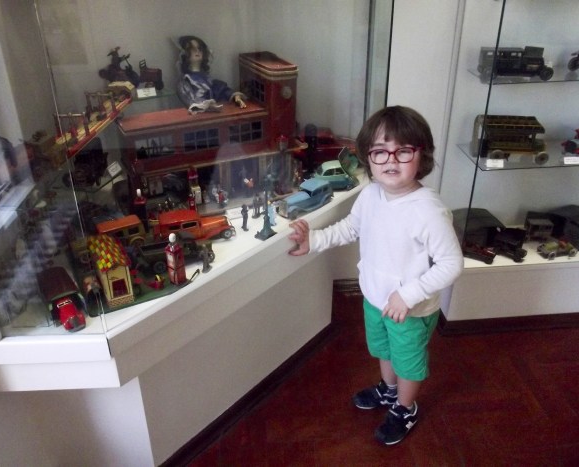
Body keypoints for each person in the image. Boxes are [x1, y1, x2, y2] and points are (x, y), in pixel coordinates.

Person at [288, 106, 463, 446]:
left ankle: (406, 408)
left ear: (421, 155)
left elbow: (451, 264)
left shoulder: (429, 210)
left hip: (410, 310)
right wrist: (314, 241)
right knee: (384, 350)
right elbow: (350, 228)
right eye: (380, 151)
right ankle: (389, 390)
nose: (390, 160)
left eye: (403, 151)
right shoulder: (370, 194)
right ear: (368, 157)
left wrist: (407, 295)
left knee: (408, 363)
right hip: (375, 298)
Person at [176, 35, 247, 113]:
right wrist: (206, 105)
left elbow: (219, 90)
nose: (197, 51)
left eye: (199, 48)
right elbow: (190, 100)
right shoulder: (185, 80)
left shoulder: (207, 78)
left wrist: (234, 96)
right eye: (192, 49)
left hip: (214, 114)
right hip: (199, 116)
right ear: (184, 53)